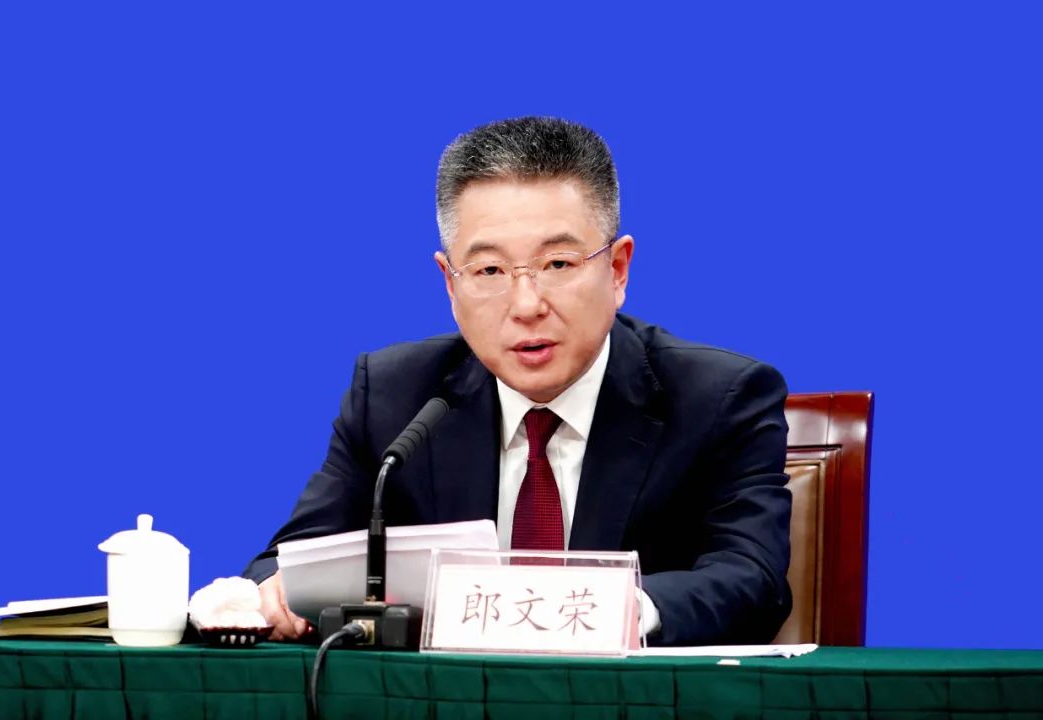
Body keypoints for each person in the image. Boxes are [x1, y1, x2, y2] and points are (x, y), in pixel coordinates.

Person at [244, 117, 792, 646]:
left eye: (558, 264)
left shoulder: (719, 397)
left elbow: (754, 579)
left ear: (618, 269)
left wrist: (619, 610)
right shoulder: (395, 396)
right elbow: (282, 564)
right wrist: (276, 594)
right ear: (450, 284)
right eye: (489, 271)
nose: (527, 305)